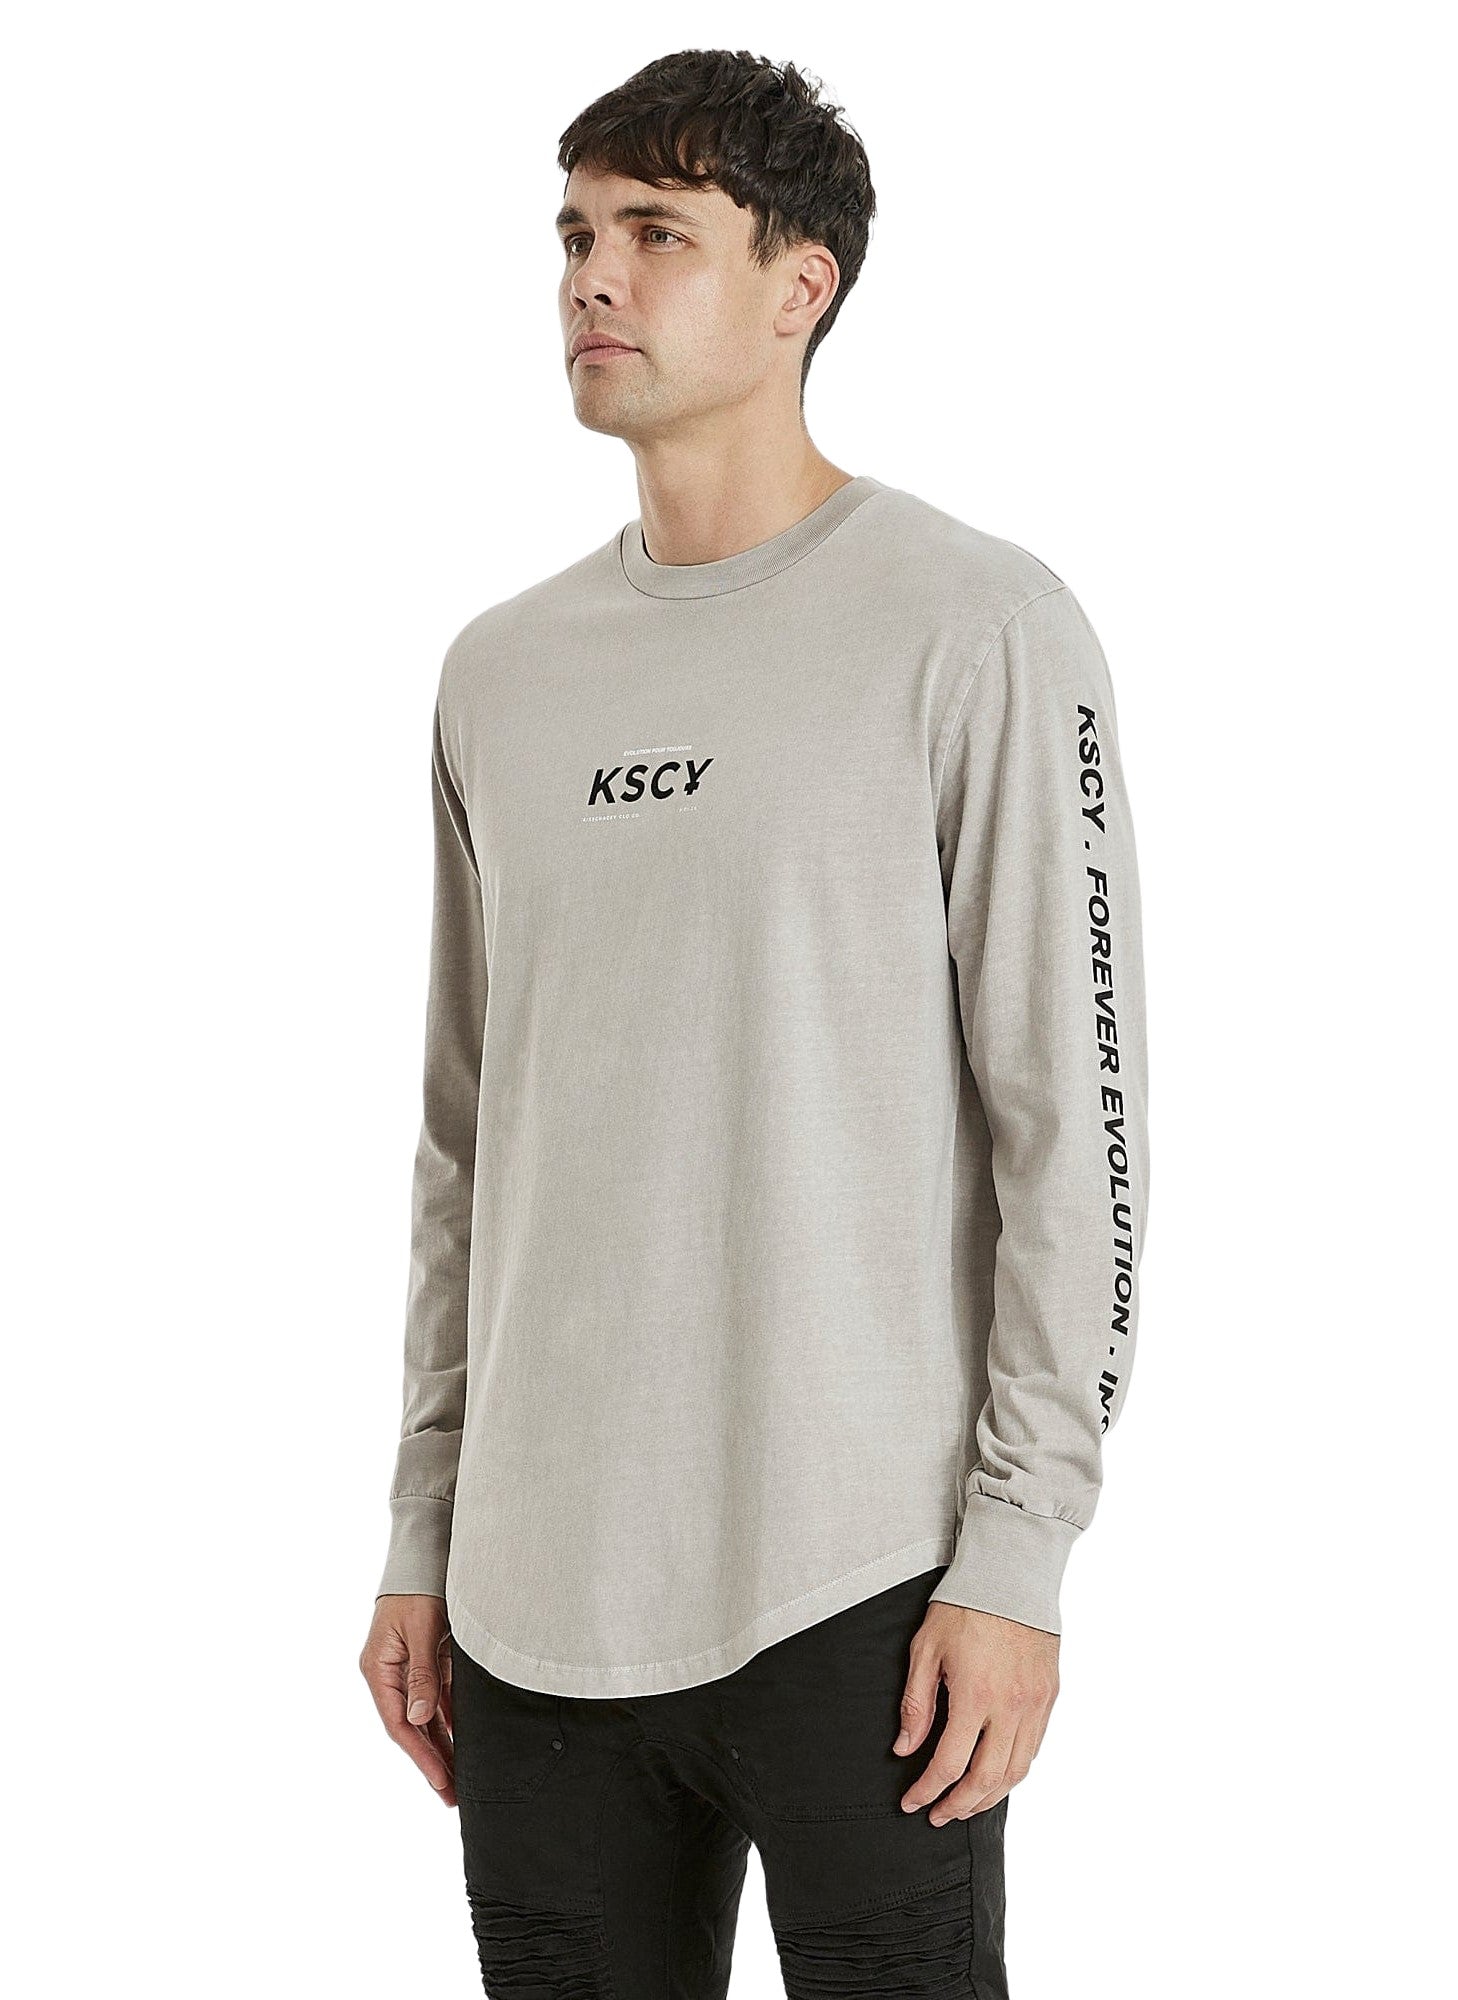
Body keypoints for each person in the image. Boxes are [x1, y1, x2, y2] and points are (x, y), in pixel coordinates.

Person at [358, 46, 1150, 1999]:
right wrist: (422, 1529)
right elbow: (467, 1140)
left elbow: (1078, 1127)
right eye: (573, 234)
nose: (590, 278)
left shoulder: (976, 625)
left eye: (655, 233)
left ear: (803, 284)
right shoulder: (500, 673)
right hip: (534, 1601)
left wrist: (1020, 1553)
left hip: (862, 1588)